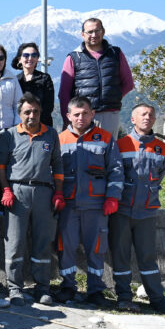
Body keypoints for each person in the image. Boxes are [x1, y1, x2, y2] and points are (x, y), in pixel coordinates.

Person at [0, 94, 64, 306]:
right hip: (17, 192)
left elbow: (57, 165)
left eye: (35, 111)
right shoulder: (9, 135)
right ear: (19, 114)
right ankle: (15, 288)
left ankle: (42, 287)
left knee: (43, 242)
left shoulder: (51, 134)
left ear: (41, 112)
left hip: (44, 193)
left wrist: (59, 192)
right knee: (15, 243)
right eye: (27, 112)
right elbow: (1, 168)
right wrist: (5, 190)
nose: (31, 115)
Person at [55, 96, 124, 306]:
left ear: (93, 114)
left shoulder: (105, 138)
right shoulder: (60, 139)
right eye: (76, 114)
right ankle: (68, 287)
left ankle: (95, 290)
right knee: (66, 247)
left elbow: (116, 170)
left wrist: (113, 197)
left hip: (96, 206)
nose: (81, 118)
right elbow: (53, 171)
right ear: (68, 116)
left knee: (97, 249)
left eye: (85, 113)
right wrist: (56, 194)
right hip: (68, 205)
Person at [110, 103, 165, 314]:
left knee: (147, 257)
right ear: (133, 119)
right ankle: (124, 297)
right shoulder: (120, 144)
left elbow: (159, 177)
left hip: (146, 212)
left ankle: (157, 299)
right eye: (143, 114)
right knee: (120, 256)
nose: (147, 117)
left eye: (151, 115)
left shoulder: (162, 148)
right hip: (122, 211)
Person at [59, 17, 135, 132]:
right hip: (82, 116)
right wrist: (67, 119)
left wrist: (112, 97)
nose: (94, 35)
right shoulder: (74, 57)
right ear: (82, 34)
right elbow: (64, 92)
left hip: (109, 115)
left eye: (97, 31)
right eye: (90, 32)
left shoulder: (115, 53)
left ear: (103, 32)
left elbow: (128, 84)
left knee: (108, 144)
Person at [12, 42, 55, 128]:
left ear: (37, 58)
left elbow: (49, 106)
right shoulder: (15, 80)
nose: (30, 58)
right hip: (21, 126)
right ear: (19, 59)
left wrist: (34, 120)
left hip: (42, 125)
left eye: (34, 55)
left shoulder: (45, 78)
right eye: (26, 55)